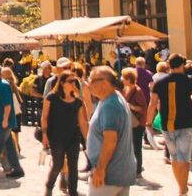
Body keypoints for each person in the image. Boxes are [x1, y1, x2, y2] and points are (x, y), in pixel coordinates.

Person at [146, 54, 192, 196]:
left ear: (169, 65)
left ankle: (182, 188)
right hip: (186, 123)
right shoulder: (189, 80)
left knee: (175, 158)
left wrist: (148, 123)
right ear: (182, 65)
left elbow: (152, 104)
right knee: (185, 158)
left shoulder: (160, 82)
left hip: (167, 125)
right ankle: (183, 189)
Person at [86, 66, 136, 196]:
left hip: (109, 175)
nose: (88, 83)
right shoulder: (113, 98)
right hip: (119, 172)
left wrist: (100, 169)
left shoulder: (110, 105)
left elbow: (110, 140)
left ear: (104, 82)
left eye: (91, 80)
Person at [41, 70, 89, 196]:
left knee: (73, 166)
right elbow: (44, 117)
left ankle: (73, 191)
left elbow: (82, 122)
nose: (73, 83)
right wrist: (44, 135)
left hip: (73, 136)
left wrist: (88, 140)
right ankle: (49, 185)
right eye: (70, 81)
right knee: (58, 164)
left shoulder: (77, 101)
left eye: (75, 81)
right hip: (56, 137)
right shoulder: (51, 97)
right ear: (62, 83)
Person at [0, 64, 24, 180]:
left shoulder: (3, 86)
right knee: (10, 147)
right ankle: (17, 170)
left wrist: (5, 119)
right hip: (0, 122)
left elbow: (7, 105)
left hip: (4, 123)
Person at [120, 68, 146, 177]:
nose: (121, 79)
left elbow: (142, 108)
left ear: (129, 79)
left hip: (137, 123)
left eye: (123, 77)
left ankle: (138, 170)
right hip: (128, 122)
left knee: (136, 147)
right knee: (128, 146)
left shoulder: (137, 91)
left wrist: (130, 106)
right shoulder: (125, 89)